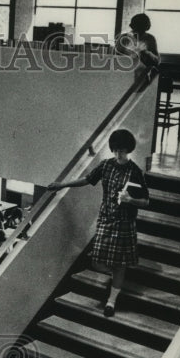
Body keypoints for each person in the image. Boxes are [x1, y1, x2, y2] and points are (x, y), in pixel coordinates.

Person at [48, 129, 149, 317]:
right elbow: (87, 180)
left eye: (123, 150)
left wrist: (130, 200)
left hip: (124, 222)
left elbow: (146, 201)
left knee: (119, 265)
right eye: (116, 150)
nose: (119, 154)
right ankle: (118, 276)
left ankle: (111, 301)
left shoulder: (135, 171)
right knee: (96, 261)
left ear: (129, 150)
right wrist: (61, 185)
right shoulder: (106, 165)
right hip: (106, 218)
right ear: (112, 149)